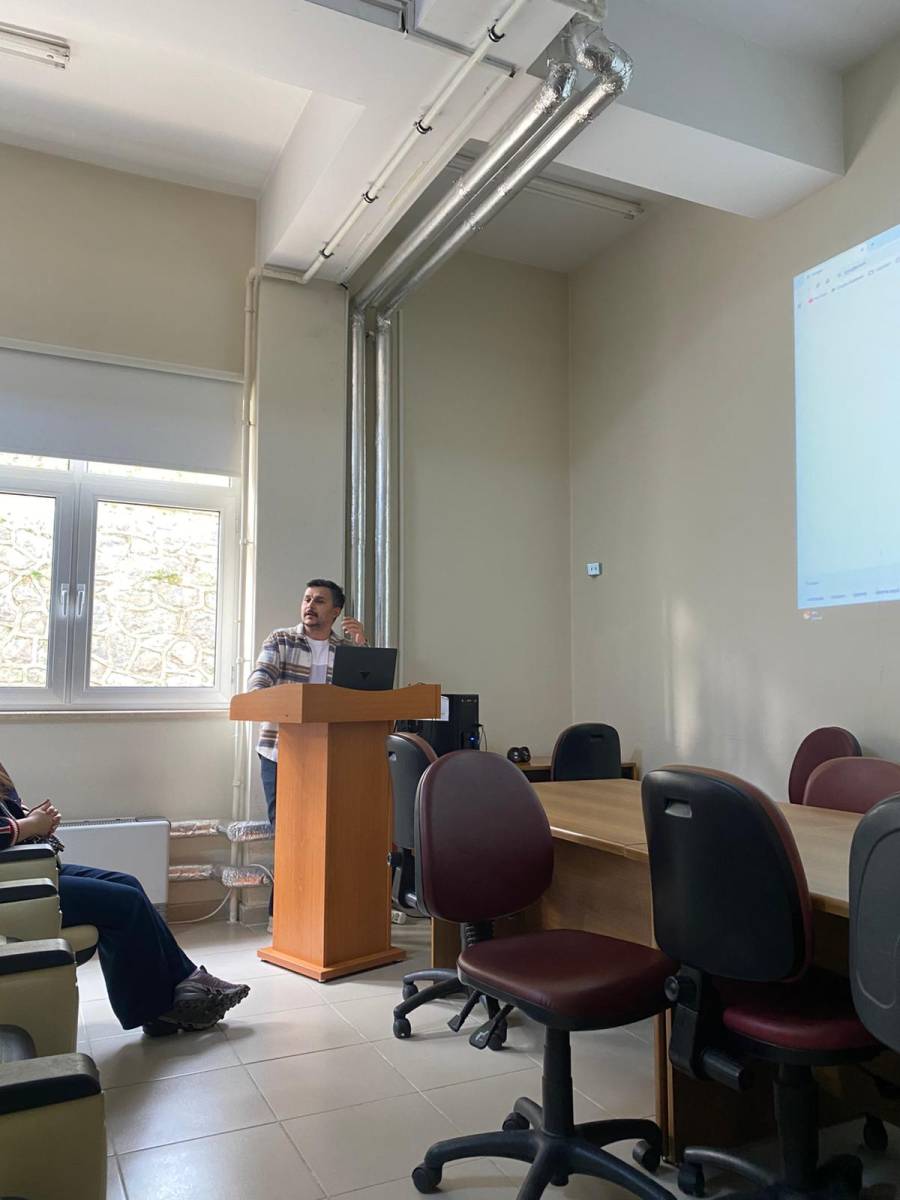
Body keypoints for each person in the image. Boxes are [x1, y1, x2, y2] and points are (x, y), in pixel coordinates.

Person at [0, 761, 250, 1038]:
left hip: (33, 868)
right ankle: (157, 1009)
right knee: (126, 903)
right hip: (18, 884)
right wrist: (31, 824)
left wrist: (34, 820)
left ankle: (180, 990)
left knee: (129, 884)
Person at [248, 579, 366, 925]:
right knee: (288, 834)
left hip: (331, 754)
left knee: (329, 834)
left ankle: (325, 912)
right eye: (306, 599)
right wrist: (288, 702)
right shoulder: (281, 639)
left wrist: (362, 646)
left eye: (319, 601)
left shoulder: (346, 649)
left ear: (336, 611)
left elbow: (365, 697)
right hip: (280, 751)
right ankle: (283, 915)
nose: (310, 606)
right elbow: (258, 684)